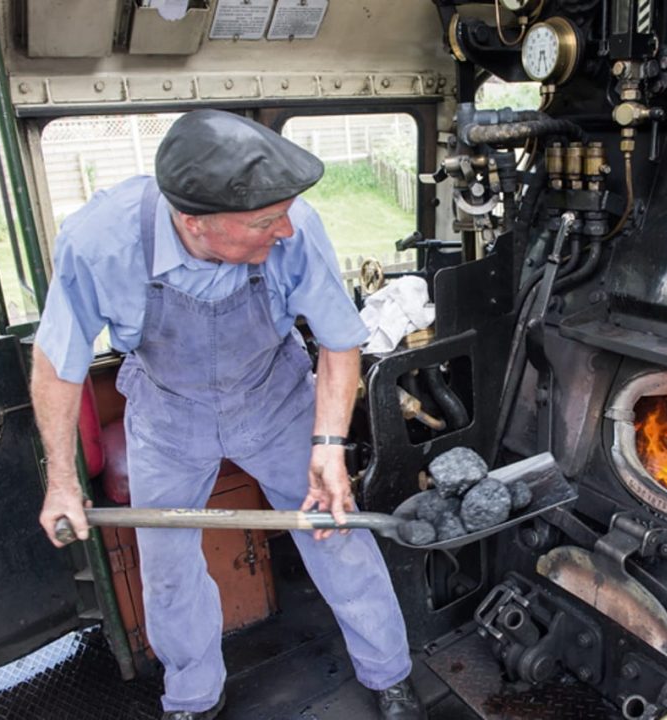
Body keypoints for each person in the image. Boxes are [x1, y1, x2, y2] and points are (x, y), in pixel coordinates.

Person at [32, 109, 425, 720]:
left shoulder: (294, 226)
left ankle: (389, 672)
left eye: (286, 212)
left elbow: (340, 342)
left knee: (335, 531)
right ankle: (192, 695)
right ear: (195, 223)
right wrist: (61, 481)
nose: (287, 229)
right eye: (267, 222)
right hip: (167, 415)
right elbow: (58, 366)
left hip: (274, 396)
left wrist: (328, 449)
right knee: (166, 566)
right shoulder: (98, 242)